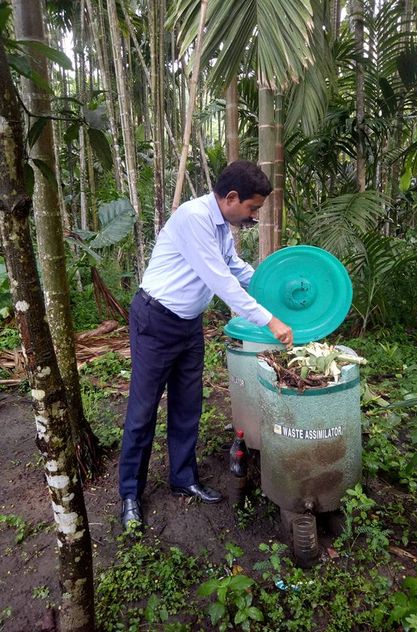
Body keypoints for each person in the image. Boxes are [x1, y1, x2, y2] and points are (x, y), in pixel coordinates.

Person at [119, 160, 293, 530]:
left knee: (187, 405)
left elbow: (235, 267)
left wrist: (271, 286)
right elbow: (220, 280)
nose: (254, 216)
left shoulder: (221, 227)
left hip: (187, 325)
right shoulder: (193, 218)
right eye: (252, 208)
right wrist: (269, 320)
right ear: (231, 197)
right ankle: (131, 493)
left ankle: (183, 478)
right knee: (143, 410)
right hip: (156, 320)